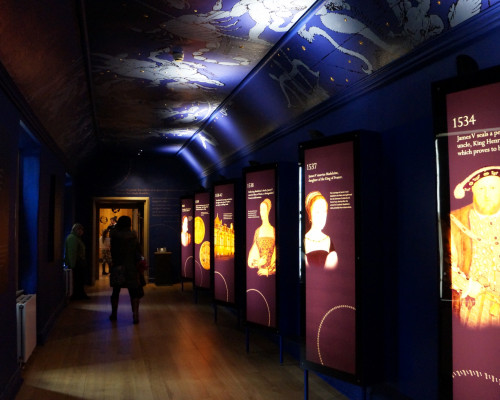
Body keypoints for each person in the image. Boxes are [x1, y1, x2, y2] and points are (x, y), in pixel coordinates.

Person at [450, 166, 500, 328]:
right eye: (481, 188)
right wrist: (467, 286)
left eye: (493, 188)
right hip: (474, 306)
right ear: (472, 191)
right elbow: (445, 264)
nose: (487, 194)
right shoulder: (456, 221)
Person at [109, 216, 144, 324]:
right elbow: (139, 252)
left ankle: (114, 314)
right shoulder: (133, 237)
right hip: (131, 267)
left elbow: (113, 252)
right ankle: (135, 316)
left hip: (117, 267)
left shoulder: (114, 236)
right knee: (134, 292)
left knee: (116, 291)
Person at [304, 191, 338, 269]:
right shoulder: (303, 240)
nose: (322, 217)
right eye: (317, 212)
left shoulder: (329, 240)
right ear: (310, 216)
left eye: (324, 211)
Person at [247, 198, 276, 277]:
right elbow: (251, 259)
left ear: (268, 210)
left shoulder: (274, 231)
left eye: (263, 209)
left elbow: (277, 254)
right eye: (260, 210)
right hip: (259, 274)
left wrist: (268, 271)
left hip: (271, 275)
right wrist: (258, 262)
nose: (261, 212)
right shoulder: (258, 231)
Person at [64, 223, 90, 300]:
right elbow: (72, 252)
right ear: (77, 230)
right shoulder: (73, 238)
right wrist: (72, 265)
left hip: (78, 262)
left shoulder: (76, 238)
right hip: (77, 263)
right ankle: (78, 295)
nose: (82, 232)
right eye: (81, 230)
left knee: (80, 280)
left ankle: (80, 294)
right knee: (78, 280)